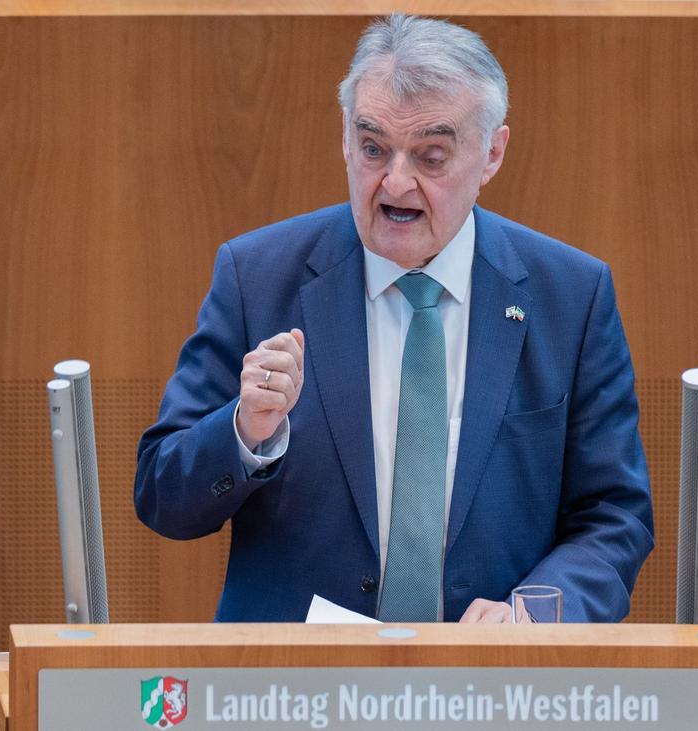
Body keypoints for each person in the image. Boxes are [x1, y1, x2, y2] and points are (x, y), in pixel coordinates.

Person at [135, 14, 653, 623]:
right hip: (294, 674)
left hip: (490, 675)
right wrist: (246, 432)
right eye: (374, 149)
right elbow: (164, 497)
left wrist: (531, 617)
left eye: (431, 157)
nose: (396, 183)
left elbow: (614, 516)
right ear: (345, 138)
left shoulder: (570, 295)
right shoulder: (258, 276)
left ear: (492, 153)